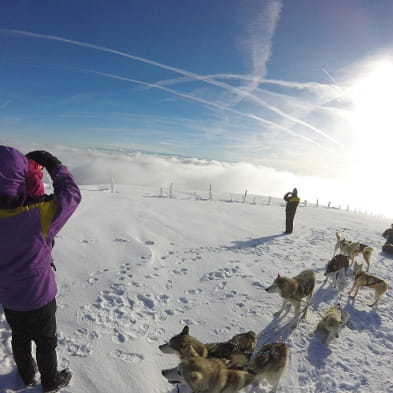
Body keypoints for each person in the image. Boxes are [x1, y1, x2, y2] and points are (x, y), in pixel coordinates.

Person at [0, 146, 81, 392]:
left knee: (20, 337)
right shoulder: (40, 216)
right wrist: (53, 164)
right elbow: (72, 194)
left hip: (8, 297)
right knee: (46, 342)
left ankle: (27, 375)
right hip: (39, 296)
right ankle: (50, 382)